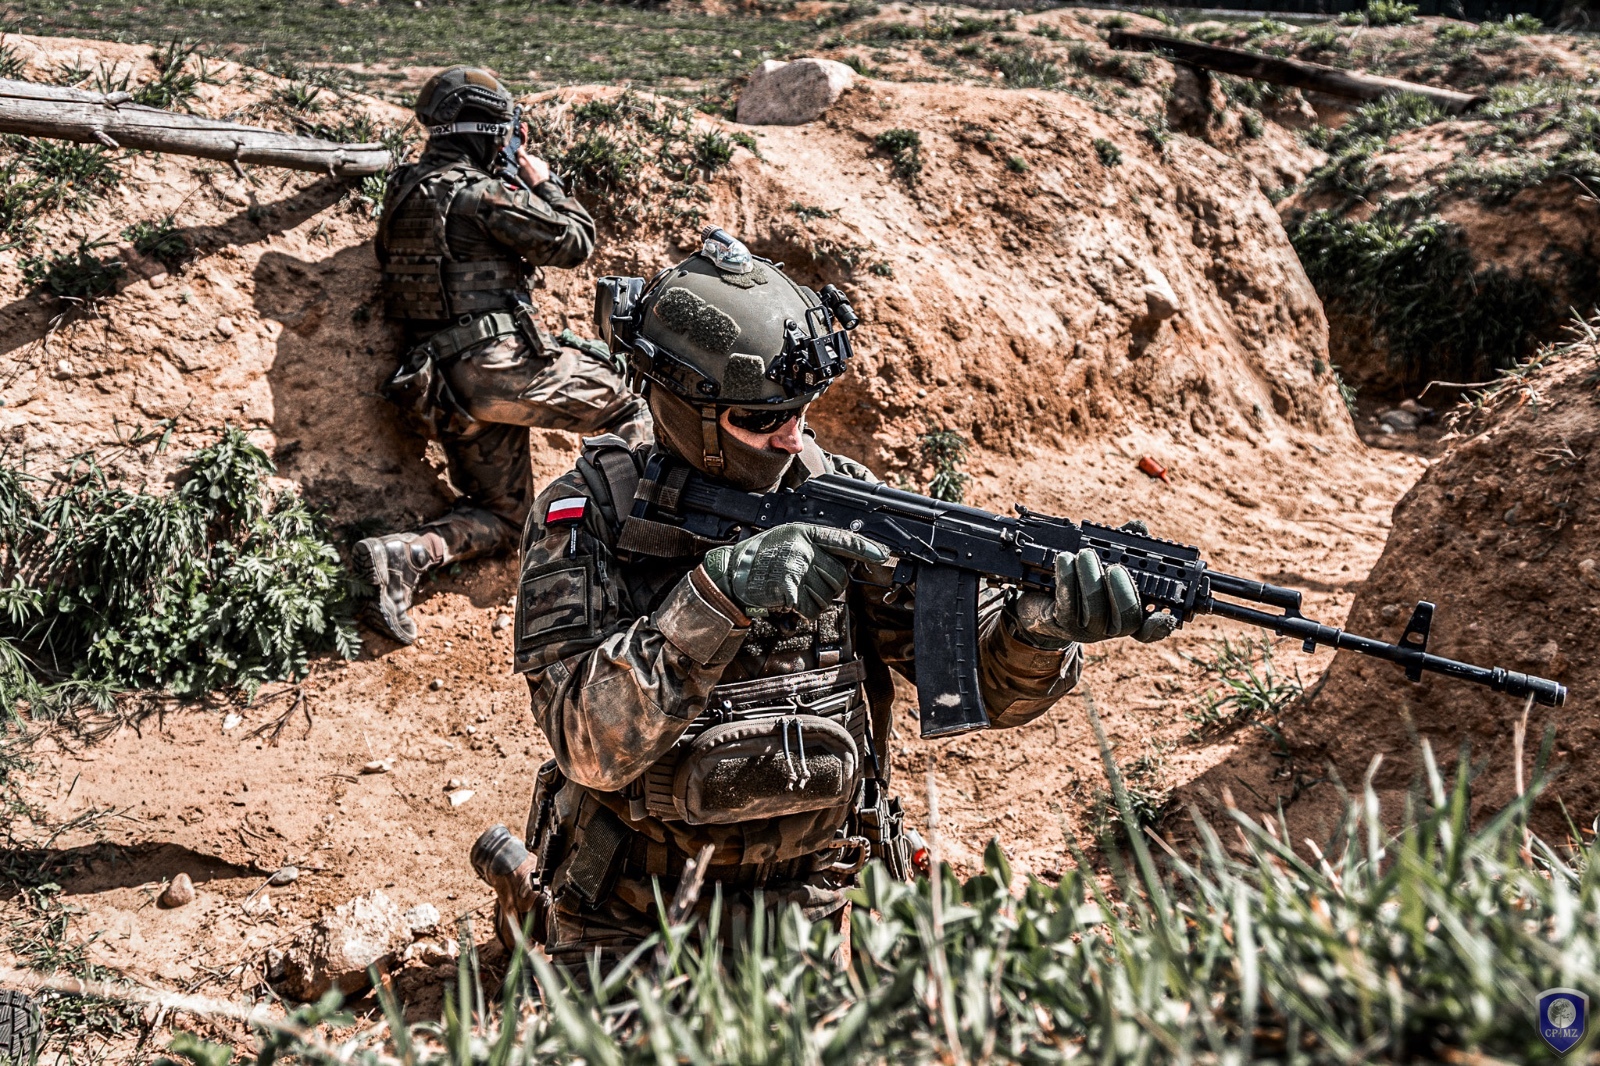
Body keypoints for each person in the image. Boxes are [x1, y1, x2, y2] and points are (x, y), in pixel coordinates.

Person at [469, 232, 1175, 965]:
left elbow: (981, 688)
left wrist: (1038, 633)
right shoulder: (590, 516)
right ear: (686, 410)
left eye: (800, 410)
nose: (791, 438)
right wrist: (718, 596)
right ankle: (528, 894)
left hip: (819, 901)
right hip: (634, 915)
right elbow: (586, 744)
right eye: (759, 420)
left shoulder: (836, 497)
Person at [356, 66, 650, 645]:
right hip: (498, 366)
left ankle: (406, 554)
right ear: (488, 132)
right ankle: (639, 545)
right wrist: (545, 182)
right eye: (508, 133)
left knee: (504, 516)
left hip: (439, 385)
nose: (511, 144)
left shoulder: (404, 191)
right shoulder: (479, 195)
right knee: (633, 407)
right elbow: (574, 241)